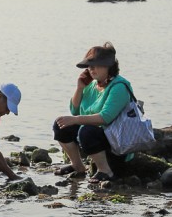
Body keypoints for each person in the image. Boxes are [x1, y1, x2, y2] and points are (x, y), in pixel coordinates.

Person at [52, 41, 135, 183]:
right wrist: (79, 87)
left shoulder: (119, 87)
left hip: (117, 140)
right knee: (60, 124)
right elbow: (75, 110)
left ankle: (105, 171)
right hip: (98, 136)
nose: (91, 69)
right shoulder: (92, 85)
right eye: (89, 66)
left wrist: (76, 119)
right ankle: (77, 166)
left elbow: (105, 118)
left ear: (108, 66)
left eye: (95, 65)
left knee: (86, 130)